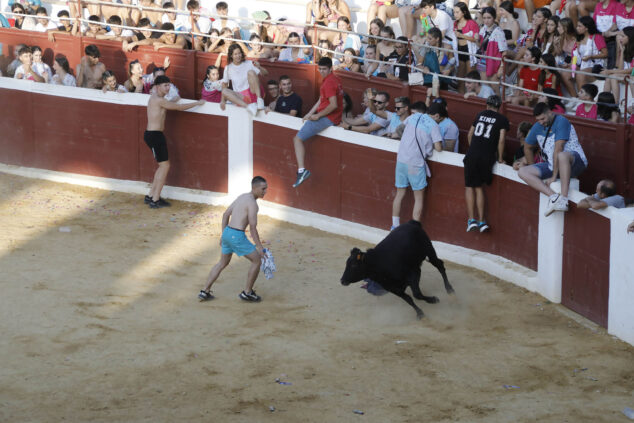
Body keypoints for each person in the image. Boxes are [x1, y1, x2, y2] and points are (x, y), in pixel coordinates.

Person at [198, 176, 268, 302]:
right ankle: (247, 292)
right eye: (263, 189)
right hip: (237, 235)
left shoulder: (242, 197)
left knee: (222, 263)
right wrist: (260, 247)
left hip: (228, 232)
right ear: (255, 188)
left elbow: (225, 215)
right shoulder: (252, 204)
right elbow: (252, 228)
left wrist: (223, 235)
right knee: (257, 260)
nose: (265, 191)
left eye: (266, 189)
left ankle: (205, 290)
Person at [144, 75, 205, 208]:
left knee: (162, 166)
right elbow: (179, 108)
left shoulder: (156, 98)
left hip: (153, 134)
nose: (168, 87)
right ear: (158, 86)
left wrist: (175, 99)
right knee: (165, 166)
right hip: (155, 135)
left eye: (169, 85)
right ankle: (155, 199)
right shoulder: (159, 100)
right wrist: (197, 103)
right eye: (165, 85)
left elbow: (170, 104)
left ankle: (151, 196)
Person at [518, 102, 588, 216]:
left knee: (562, 155)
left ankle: (564, 199)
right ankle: (554, 197)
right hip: (553, 164)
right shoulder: (537, 126)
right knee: (523, 172)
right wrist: (531, 164)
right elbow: (527, 146)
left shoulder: (561, 121)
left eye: (543, 118)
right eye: (538, 120)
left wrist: (554, 176)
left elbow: (559, 148)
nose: (541, 122)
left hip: (575, 161)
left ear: (549, 113)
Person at [385, 89, 441, 229]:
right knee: (419, 197)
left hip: (402, 160)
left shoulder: (412, 117)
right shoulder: (433, 125)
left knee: (400, 193)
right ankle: (414, 228)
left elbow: (399, 129)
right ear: (436, 116)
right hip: (415, 163)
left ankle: (394, 226)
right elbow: (439, 148)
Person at [292, 57, 343, 188]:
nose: (321, 71)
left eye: (324, 69)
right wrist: (310, 113)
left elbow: (333, 105)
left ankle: (301, 171)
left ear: (330, 68)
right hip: (331, 117)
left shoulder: (328, 83)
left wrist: (317, 116)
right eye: (320, 69)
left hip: (328, 118)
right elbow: (322, 99)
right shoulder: (335, 79)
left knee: (297, 139)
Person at [463, 95, 509, 232]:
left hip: (472, 155)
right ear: (499, 106)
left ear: (487, 105)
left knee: (470, 187)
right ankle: (482, 221)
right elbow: (501, 140)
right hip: (487, 157)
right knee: (479, 188)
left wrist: (473, 149)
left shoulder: (480, 114)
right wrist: (500, 158)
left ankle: (471, 220)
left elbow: (469, 134)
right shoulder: (502, 119)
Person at [220, 43, 269, 116]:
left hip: (253, 92)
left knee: (251, 72)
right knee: (224, 91)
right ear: (231, 56)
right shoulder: (228, 68)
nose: (238, 56)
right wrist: (223, 101)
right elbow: (224, 85)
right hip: (241, 98)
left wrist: (259, 67)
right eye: (235, 54)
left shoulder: (249, 63)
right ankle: (249, 107)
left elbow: (266, 74)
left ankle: (259, 100)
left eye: (239, 53)